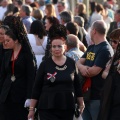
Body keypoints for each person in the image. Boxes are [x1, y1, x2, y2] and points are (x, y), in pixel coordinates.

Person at [28, 34, 85, 120]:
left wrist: (81, 103)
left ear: (65, 47)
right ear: (51, 48)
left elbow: (77, 85)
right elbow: (36, 87)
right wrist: (31, 109)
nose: (56, 49)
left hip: (67, 106)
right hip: (47, 107)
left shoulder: (71, 63)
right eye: (54, 46)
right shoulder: (44, 64)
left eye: (59, 46)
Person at [0, 16, 36, 120]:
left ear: (15, 40)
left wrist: (29, 97)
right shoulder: (7, 54)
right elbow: (3, 75)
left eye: (8, 40)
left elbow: (31, 76)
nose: (5, 43)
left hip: (21, 96)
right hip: (6, 96)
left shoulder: (26, 55)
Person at [76, 20, 114, 120]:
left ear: (94, 31)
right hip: (86, 96)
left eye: (90, 30)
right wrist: (83, 67)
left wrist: (82, 69)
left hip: (97, 96)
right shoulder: (91, 47)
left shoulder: (105, 49)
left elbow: (93, 71)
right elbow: (78, 62)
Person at [98, 28, 120, 120]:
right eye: (111, 41)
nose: (112, 44)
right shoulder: (115, 57)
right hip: (111, 98)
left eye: (115, 42)